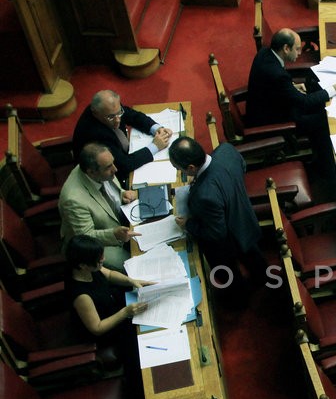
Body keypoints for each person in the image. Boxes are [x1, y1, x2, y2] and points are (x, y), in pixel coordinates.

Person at [170, 136, 267, 296]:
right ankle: (262, 279)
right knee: (254, 259)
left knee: (230, 276)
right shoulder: (225, 150)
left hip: (228, 242)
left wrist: (188, 224)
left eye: (180, 169)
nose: (180, 172)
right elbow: (242, 166)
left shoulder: (205, 195)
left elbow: (216, 233)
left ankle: (239, 298)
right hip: (245, 218)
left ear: (192, 168)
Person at [246, 28, 336, 175]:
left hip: (270, 103)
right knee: (324, 120)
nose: (300, 53)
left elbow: (272, 84)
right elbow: (303, 102)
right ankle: (325, 168)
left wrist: (291, 86)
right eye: (297, 49)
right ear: (286, 48)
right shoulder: (277, 75)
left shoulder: (265, 53)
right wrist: (333, 90)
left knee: (317, 97)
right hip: (273, 120)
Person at [65, 235, 151, 369]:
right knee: (138, 336)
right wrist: (125, 312)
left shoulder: (89, 269)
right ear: (83, 265)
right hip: (105, 328)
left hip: (111, 304)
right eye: (99, 261)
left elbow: (110, 274)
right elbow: (97, 328)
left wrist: (131, 280)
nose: (103, 260)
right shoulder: (81, 296)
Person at [60, 143, 141, 272]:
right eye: (109, 167)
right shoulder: (73, 200)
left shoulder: (101, 170)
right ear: (91, 172)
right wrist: (113, 234)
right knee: (135, 264)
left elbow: (110, 190)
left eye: (113, 163)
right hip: (93, 245)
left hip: (117, 224)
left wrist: (122, 194)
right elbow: (85, 236)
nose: (115, 169)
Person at [72, 90, 174, 180]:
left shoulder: (110, 109)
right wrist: (155, 146)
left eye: (119, 112)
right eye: (111, 117)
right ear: (95, 113)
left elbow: (132, 116)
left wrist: (156, 128)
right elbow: (124, 165)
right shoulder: (96, 136)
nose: (118, 120)